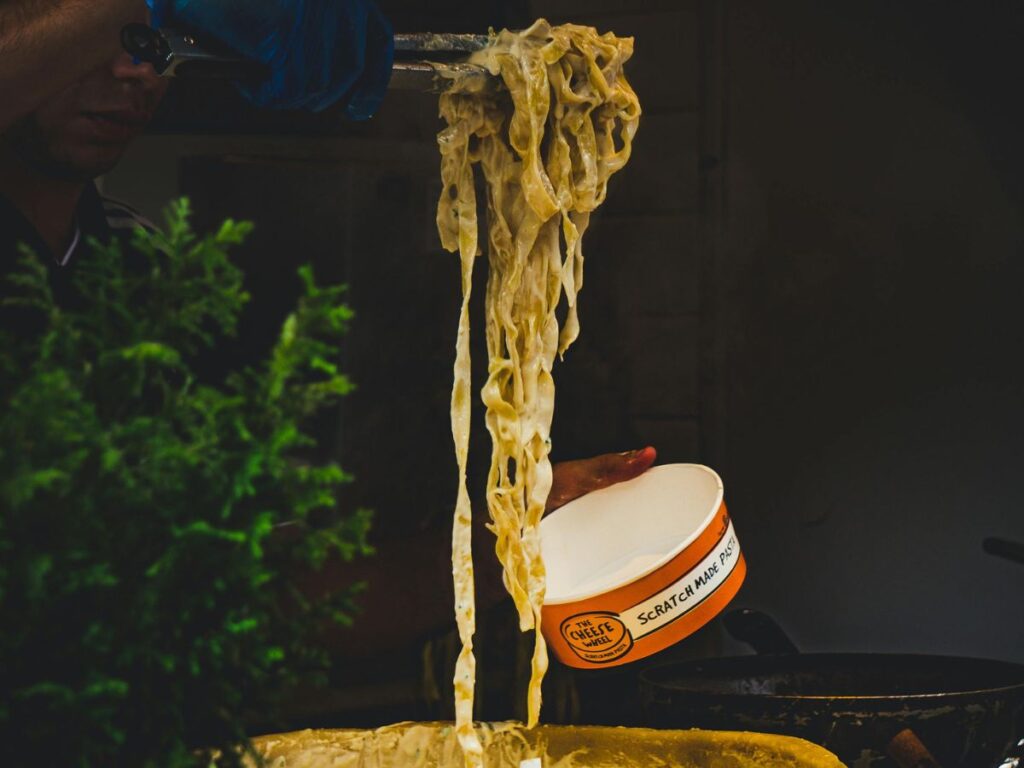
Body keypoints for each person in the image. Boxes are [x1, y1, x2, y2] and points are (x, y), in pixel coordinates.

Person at [0, 0, 657, 658]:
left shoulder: (147, 272)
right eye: (97, 30)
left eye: (157, 40)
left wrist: (515, 542)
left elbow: (248, 593)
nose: (136, 70)